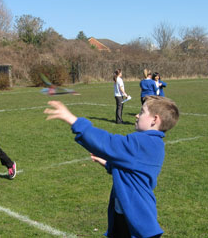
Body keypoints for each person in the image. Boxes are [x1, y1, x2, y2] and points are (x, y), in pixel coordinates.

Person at [44, 96, 179, 237]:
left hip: (137, 222)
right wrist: (107, 164)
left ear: (154, 120)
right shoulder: (154, 144)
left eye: (142, 111)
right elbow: (133, 170)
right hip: (126, 217)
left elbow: (108, 143)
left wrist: (73, 120)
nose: (137, 115)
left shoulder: (142, 142)